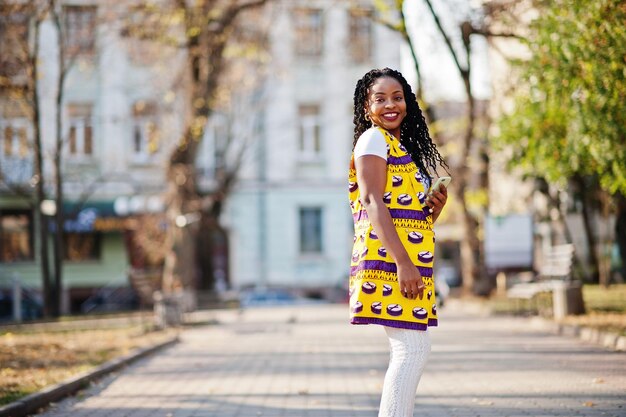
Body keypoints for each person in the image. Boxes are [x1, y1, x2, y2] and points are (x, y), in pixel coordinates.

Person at [348, 68, 448, 417]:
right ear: (366, 107)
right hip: (394, 262)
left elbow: (404, 216)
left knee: (410, 348)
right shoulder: (373, 139)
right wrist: (403, 263)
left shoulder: (399, 147)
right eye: (380, 98)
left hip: (405, 259)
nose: (391, 105)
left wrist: (433, 211)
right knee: (412, 349)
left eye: (398, 97)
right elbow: (372, 201)